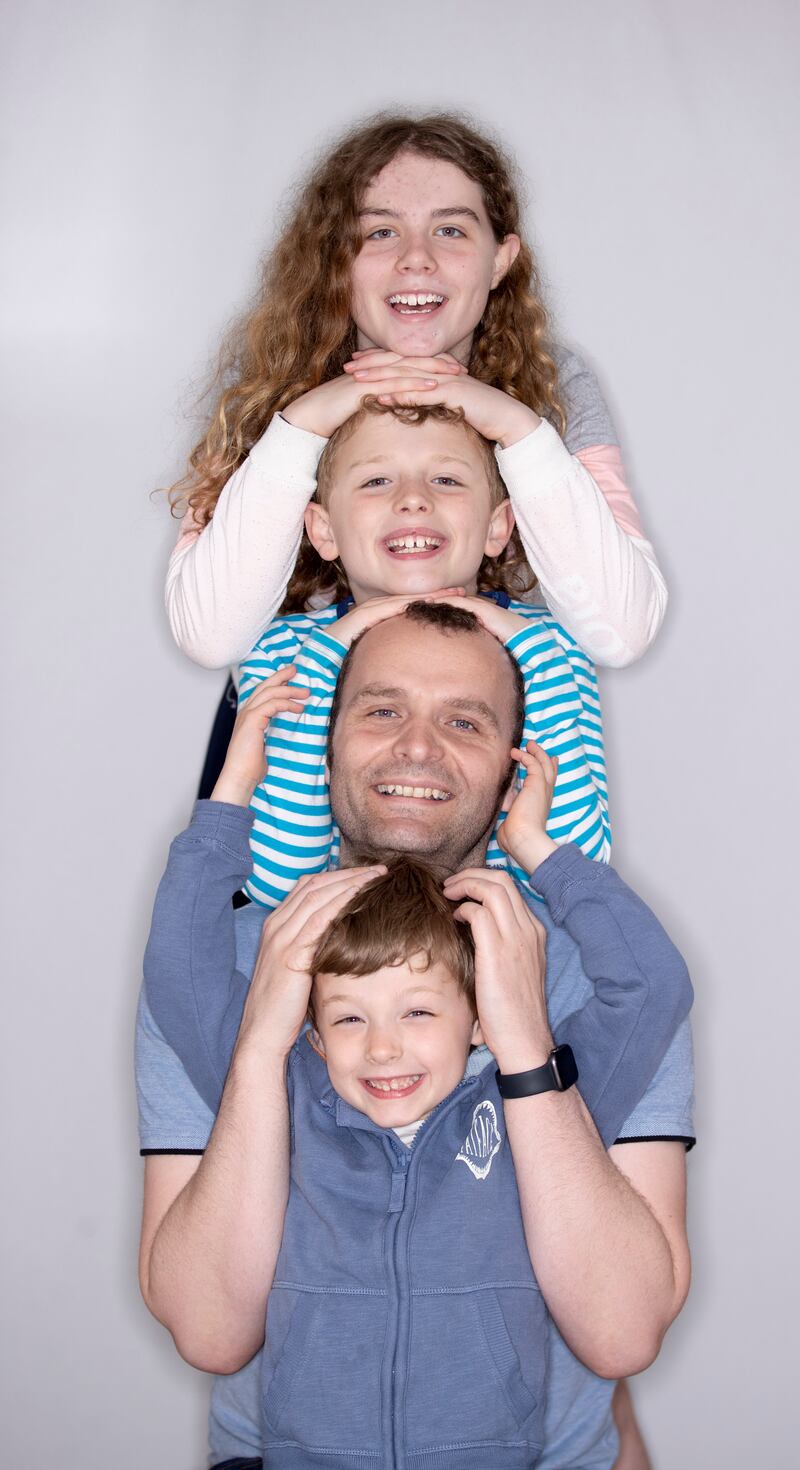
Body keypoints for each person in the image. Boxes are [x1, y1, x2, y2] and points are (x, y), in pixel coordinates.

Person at [138, 603, 695, 1469]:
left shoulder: (570, 963)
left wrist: (523, 1029)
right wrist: (261, 1035)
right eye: (381, 708)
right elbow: (210, 1332)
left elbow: (654, 991)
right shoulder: (248, 977)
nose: (418, 748)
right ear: (323, 745)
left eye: (464, 720)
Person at [165, 111, 667, 681]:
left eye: (450, 229)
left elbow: (621, 634)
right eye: (380, 231)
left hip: (476, 712)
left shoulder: (557, 385)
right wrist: (304, 424)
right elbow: (211, 637)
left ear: (500, 259)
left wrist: (517, 428)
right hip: (296, 730)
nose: (416, 257)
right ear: (336, 259)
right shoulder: (269, 382)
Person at [235, 399, 610, 909]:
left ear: (498, 527)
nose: (413, 500)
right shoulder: (284, 649)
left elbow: (576, 866)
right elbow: (277, 879)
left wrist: (532, 653)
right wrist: (329, 653)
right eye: (376, 481)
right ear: (323, 530)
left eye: (447, 481)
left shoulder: (553, 646)